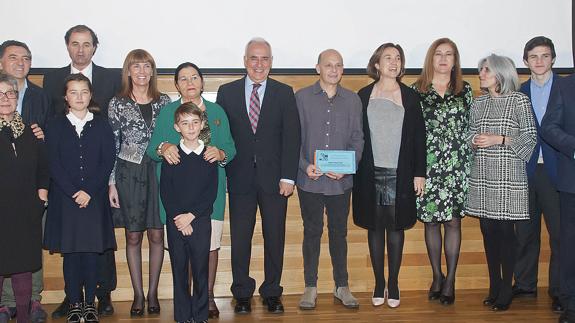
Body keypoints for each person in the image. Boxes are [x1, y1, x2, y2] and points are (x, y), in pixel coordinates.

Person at [216, 37, 301, 314]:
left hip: (275, 179)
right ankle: (242, 292)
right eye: (254, 58)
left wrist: (289, 176)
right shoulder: (226, 93)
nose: (259, 64)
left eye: (265, 59)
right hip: (239, 177)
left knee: (274, 236)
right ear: (244, 61)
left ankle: (272, 291)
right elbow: (221, 137)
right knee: (240, 237)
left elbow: (292, 138)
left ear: (271, 63)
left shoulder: (284, 92)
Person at [42, 25, 120, 319]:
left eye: (83, 92)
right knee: (71, 253)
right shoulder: (56, 125)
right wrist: (72, 190)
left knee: (92, 252)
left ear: (91, 95)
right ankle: (74, 301)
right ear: (65, 96)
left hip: (94, 196)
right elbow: (53, 160)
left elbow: (107, 158)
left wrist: (90, 189)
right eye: (73, 93)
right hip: (66, 197)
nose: (78, 96)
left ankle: (91, 303)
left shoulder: (100, 124)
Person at [147, 62, 235, 318]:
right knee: (181, 250)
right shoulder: (168, 113)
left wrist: (221, 153)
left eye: (194, 77)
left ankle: (206, 298)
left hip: (209, 194)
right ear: (176, 85)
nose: (189, 82)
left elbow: (230, 147)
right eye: (183, 79)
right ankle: (183, 304)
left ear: (202, 81)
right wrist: (164, 147)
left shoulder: (217, 111)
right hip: (175, 195)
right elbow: (153, 148)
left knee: (209, 246)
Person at [353, 43, 426, 308]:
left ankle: (393, 283)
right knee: (374, 227)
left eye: (397, 58)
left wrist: (420, 173)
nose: (393, 63)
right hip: (369, 173)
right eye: (388, 58)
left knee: (396, 228)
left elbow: (419, 138)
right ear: (376, 64)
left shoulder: (410, 97)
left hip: (401, 173)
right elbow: (355, 136)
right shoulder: (362, 96)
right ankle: (378, 282)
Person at [466, 54, 536, 311]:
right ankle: (494, 286)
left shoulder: (519, 101)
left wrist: (500, 139)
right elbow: (468, 134)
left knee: (507, 237)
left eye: (486, 70)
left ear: (501, 74)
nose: (481, 74)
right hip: (483, 178)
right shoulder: (478, 103)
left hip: (509, 180)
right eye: (481, 70)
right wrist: (473, 140)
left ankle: (507, 289)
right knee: (489, 234)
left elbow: (529, 138)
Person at [295, 49, 363, 310]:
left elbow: (358, 138)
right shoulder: (301, 98)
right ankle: (310, 286)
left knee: (339, 233)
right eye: (328, 65)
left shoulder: (353, 100)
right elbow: (294, 139)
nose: (333, 70)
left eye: (338, 66)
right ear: (317, 68)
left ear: (343, 69)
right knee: (311, 232)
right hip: (309, 180)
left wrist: (349, 167)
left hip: (340, 182)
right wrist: (304, 166)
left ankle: (341, 286)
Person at [107, 49, 171, 316]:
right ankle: (137, 294)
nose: (142, 72)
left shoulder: (165, 101)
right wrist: (111, 182)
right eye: (137, 67)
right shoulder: (117, 103)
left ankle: (154, 293)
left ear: (152, 71)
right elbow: (113, 144)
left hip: (158, 173)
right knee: (133, 236)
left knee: (157, 233)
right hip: (128, 174)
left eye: (147, 66)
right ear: (128, 72)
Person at [412, 38, 473, 305]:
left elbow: (473, 127)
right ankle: (437, 276)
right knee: (431, 221)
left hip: (457, 167)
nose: (444, 59)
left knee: (453, 222)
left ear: (455, 60)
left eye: (449, 54)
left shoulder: (465, 90)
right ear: (431, 58)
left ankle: (451, 280)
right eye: (439, 54)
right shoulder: (416, 90)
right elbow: (412, 133)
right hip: (427, 167)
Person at [0, 40, 52, 323]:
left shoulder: (29, 127)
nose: (6, 99)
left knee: (25, 260)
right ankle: (4, 306)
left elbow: (44, 161)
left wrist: (41, 195)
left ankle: (27, 307)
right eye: (1, 94)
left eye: (10, 94)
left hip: (28, 203)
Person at [513, 36, 563, 313]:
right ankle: (524, 284)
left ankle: (559, 290)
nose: (539, 61)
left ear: (553, 59)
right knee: (525, 232)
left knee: (559, 234)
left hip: (558, 171)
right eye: (533, 57)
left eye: (545, 56)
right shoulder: (520, 93)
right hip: (526, 170)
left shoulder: (566, 88)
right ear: (525, 62)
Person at [160, 103, 218, 323]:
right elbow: (166, 191)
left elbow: (210, 193)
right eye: (185, 123)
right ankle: (183, 316)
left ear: (202, 124)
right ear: (177, 127)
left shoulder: (209, 156)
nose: (191, 127)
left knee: (201, 270)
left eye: (195, 122)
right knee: (179, 270)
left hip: (200, 222)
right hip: (176, 222)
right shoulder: (171, 156)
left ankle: (200, 315)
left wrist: (191, 216)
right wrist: (179, 219)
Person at [542, 72, 575, 323]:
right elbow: (549, 127)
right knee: (570, 246)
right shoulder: (565, 84)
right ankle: (571, 304)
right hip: (572, 181)